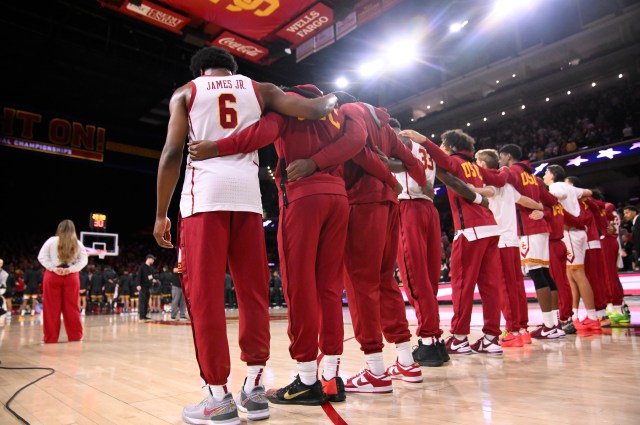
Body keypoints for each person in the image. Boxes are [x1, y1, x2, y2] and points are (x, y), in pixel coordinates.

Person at [153, 46, 348, 424]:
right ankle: (255, 390)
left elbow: (172, 152)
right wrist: (338, 98)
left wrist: (161, 213)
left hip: (204, 200)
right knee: (254, 296)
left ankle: (217, 398)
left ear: (199, 68)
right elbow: (315, 108)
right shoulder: (262, 90)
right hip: (247, 201)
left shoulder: (186, 92)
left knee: (206, 299)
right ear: (233, 68)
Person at [186, 83, 365, 404]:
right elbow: (355, 143)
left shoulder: (286, 106)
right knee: (329, 288)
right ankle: (331, 378)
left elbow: (259, 135)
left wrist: (217, 146)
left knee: (300, 288)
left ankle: (307, 378)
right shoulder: (337, 114)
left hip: (303, 197)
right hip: (339, 199)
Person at [381, 119, 489, 365]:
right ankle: (436, 340)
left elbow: (396, 164)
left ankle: (429, 341)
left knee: (414, 279)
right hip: (429, 211)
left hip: (408, 208)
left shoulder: (398, 138)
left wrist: (370, 157)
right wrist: (479, 199)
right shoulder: (425, 148)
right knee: (428, 281)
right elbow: (450, 179)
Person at [401, 129, 508, 355]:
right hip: (490, 227)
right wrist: (503, 173)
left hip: (470, 230)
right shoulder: (475, 166)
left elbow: (443, 163)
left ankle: (459, 338)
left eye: (442, 143)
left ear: (449, 146)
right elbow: (498, 179)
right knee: (490, 287)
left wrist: (423, 141)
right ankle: (491, 338)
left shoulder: (455, 162)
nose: (439, 147)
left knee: (462, 286)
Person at [474, 149, 544, 347]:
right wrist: (540, 208)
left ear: (482, 164)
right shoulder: (506, 184)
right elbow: (524, 200)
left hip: (502, 240)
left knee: (505, 287)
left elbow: (488, 192)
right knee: (517, 286)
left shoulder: (493, 182)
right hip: (512, 240)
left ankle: (512, 330)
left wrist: (471, 189)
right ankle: (522, 329)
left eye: (476, 162)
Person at [499, 145, 563, 339]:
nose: (500, 161)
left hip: (527, 229)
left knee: (537, 275)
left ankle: (549, 326)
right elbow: (553, 201)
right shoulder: (534, 177)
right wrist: (543, 211)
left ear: (508, 156)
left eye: (501, 157)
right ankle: (554, 323)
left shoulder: (511, 172)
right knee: (545, 274)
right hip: (541, 229)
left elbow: (495, 179)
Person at [543, 165, 600, 330]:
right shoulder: (570, 187)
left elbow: (553, 200)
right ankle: (579, 314)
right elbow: (589, 193)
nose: (545, 175)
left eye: (546, 173)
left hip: (569, 232)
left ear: (553, 175)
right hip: (578, 231)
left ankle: (592, 316)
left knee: (577, 273)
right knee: (572, 275)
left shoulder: (554, 187)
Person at [37, 219, 88, 343]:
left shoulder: (51, 241)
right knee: (72, 307)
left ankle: (50, 338)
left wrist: (54, 268)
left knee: (51, 308)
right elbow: (84, 261)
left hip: (53, 276)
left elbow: (41, 257)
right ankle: (75, 336)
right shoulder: (78, 243)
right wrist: (71, 269)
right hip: (71, 277)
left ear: (59, 228)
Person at [136, 254, 157, 320]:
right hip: (142, 286)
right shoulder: (142, 267)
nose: (153, 260)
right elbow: (138, 276)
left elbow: (150, 276)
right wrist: (138, 285)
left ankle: (144, 315)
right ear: (148, 259)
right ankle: (141, 316)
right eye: (152, 259)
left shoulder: (150, 268)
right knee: (142, 301)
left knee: (146, 301)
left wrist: (152, 280)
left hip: (148, 287)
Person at [623, 205, 639, 270]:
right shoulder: (635, 222)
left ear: (634, 212)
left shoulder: (638, 219)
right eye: (624, 214)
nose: (625, 215)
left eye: (627, 213)